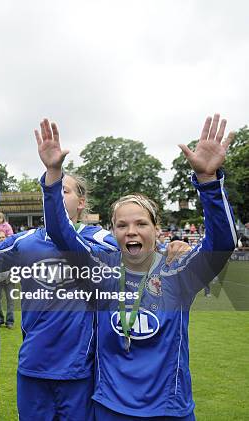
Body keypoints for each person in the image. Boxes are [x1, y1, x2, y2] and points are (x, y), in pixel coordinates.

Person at [38, 115, 236, 420]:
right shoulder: (100, 271)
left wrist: (209, 182)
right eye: (122, 225)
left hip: (169, 411)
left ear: (157, 230)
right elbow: (61, 234)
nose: (131, 231)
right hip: (110, 408)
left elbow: (222, 243)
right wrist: (53, 176)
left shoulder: (178, 272)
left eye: (141, 223)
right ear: (113, 232)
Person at [0, 172, 117, 421]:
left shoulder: (102, 240)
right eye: (52, 192)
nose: (57, 198)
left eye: (64, 191)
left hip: (79, 370)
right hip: (33, 367)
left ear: (81, 202)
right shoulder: (25, 241)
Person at [0, 230, 15, 328]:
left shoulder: (10, 249)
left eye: (3, 237)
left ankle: (10, 322)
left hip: (9, 277)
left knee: (11, 300)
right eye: (0, 238)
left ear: (6, 238)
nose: (2, 239)